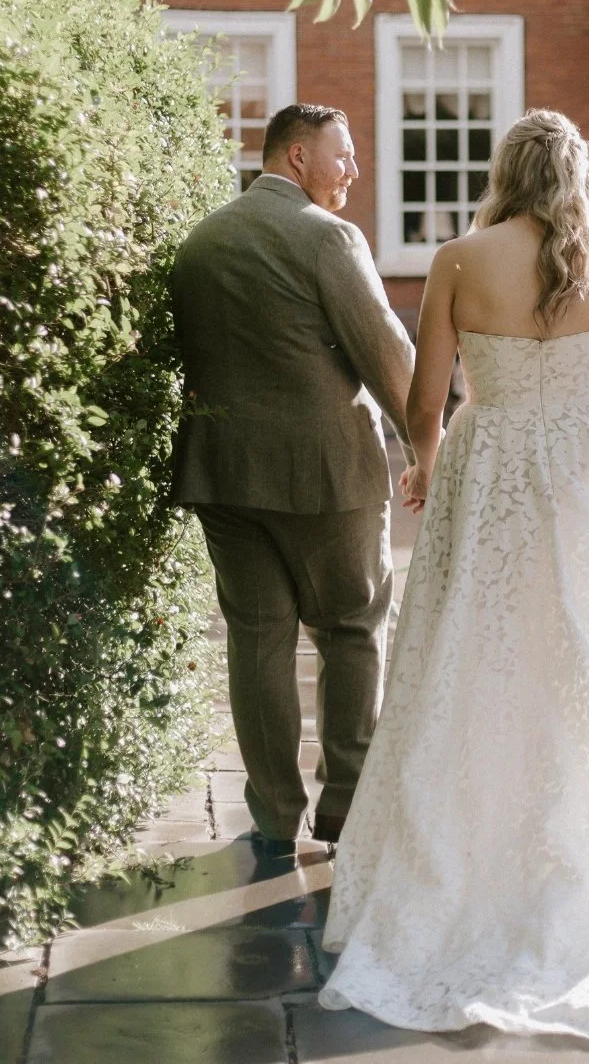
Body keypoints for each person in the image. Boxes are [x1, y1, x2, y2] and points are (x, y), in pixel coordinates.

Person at [319, 108, 589, 1046]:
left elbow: (426, 399)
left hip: (488, 474)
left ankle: (461, 862)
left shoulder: (460, 260)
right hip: (581, 479)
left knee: (471, 654)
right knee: (583, 662)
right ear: (577, 173)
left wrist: (427, 462)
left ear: (506, 171)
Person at [170, 104, 415, 851]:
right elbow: (386, 353)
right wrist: (431, 444)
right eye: (343, 156)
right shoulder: (327, 236)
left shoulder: (201, 241)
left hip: (222, 472)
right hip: (325, 475)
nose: (353, 171)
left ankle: (275, 814)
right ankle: (345, 800)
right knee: (350, 627)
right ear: (298, 156)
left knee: (257, 641)